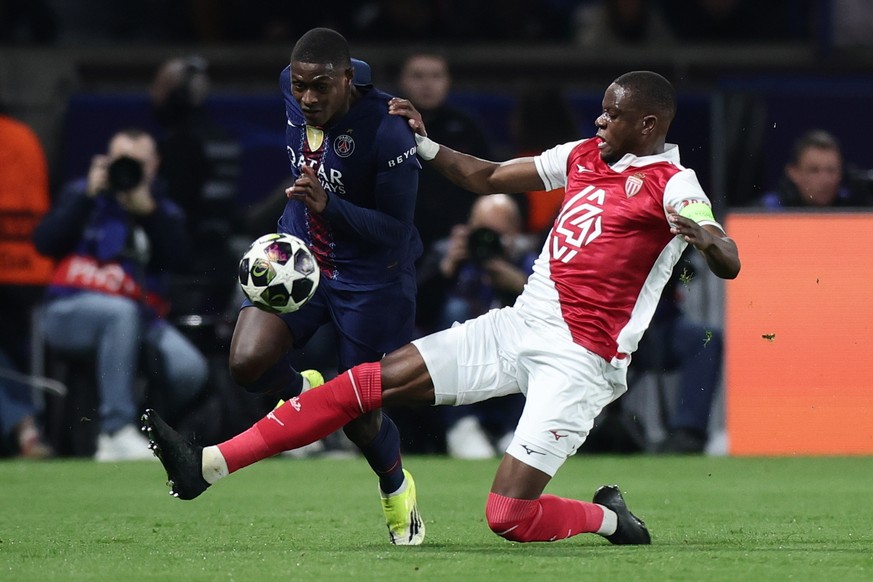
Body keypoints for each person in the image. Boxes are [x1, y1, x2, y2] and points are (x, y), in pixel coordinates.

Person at [143, 70, 741, 545]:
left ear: (648, 122)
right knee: (362, 385)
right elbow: (487, 176)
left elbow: (727, 257)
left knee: (508, 516)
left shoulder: (674, 183)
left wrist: (708, 237)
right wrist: (425, 143)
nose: (599, 118)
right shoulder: (584, 155)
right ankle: (209, 466)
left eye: (612, 113)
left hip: (582, 360)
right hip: (518, 325)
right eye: (602, 108)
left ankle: (610, 520)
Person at [222, 29, 425, 546]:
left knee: (359, 417)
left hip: (372, 279)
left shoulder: (390, 134)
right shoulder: (292, 86)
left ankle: (396, 489)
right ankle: (304, 392)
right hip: (302, 259)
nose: (308, 98)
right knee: (247, 362)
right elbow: (332, 63)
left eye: (321, 88)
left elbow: (398, 231)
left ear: (345, 82)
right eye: (301, 86)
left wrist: (330, 206)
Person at [33, 128, 208, 462]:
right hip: (68, 311)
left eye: (136, 163)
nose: (125, 169)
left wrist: (151, 214)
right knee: (119, 313)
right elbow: (44, 242)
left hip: (140, 320)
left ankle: (142, 429)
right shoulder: (81, 194)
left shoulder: (163, 209)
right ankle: (115, 432)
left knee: (190, 369)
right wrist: (86, 196)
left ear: (153, 165)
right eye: (119, 161)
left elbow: (184, 260)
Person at [415, 194, 534, 458]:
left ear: (514, 231)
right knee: (455, 310)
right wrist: (445, 270)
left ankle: (517, 430)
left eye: (496, 232)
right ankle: (462, 425)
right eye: (481, 230)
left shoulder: (529, 261)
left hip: (509, 351)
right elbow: (416, 311)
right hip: (453, 350)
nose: (486, 240)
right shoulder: (446, 253)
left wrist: (520, 285)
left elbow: (553, 314)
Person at [149, 55, 243, 318]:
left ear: (176, 96)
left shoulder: (178, 146)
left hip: (194, 258)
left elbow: (180, 213)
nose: (152, 95)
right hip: (222, 254)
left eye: (159, 87)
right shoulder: (223, 137)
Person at [395, 50, 494, 278]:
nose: (427, 84)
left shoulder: (467, 127)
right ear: (402, 81)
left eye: (436, 76)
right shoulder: (384, 126)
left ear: (448, 81)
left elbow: (490, 180)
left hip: (458, 245)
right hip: (399, 241)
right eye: (418, 76)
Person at [630, 253, 724, 454]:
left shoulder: (670, 229)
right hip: (604, 327)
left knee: (704, 341)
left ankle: (688, 433)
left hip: (661, 327)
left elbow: (688, 269)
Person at [757, 129, 872, 209]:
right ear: (793, 173)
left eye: (831, 170)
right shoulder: (766, 211)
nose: (825, 180)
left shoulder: (854, 210)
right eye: (814, 170)